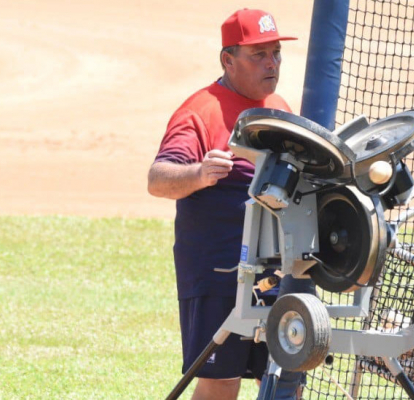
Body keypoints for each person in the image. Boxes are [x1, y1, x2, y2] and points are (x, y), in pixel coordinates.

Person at [147, 8, 298, 400]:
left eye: (276, 53)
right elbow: (157, 179)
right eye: (258, 55)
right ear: (227, 60)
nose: (272, 64)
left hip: (277, 268)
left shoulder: (279, 106)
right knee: (221, 382)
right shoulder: (201, 110)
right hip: (219, 272)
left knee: (285, 377)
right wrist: (198, 174)